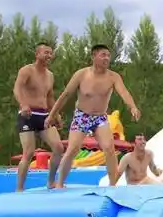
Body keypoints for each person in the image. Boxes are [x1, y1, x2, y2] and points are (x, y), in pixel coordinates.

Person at [46, 44, 141, 188]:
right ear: (93, 56)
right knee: (72, 149)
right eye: (103, 55)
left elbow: (124, 93)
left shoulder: (113, 77)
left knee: (109, 148)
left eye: (108, 55)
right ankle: (59, 183)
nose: (106, 58)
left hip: (100, 118)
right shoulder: (81, 74)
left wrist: (133, 106)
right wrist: (51, 115)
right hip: (82, 116)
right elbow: (65, 95)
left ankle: (112, 185)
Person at [12, 42, 66, 191]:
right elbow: (17, 88)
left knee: (58, 147)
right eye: (46, 52)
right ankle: (19, 189)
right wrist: (23, 104)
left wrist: (56, 115)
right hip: (27, 115)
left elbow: (49, 97)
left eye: (51, 53)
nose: (49, 55)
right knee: (29, 152)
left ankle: (51, 182)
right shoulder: (27, 70)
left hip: (44, 116)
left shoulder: (50, 75)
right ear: (37, 54)